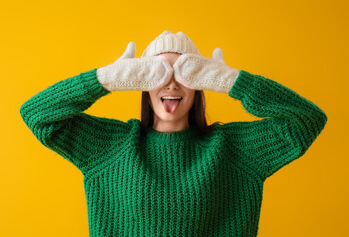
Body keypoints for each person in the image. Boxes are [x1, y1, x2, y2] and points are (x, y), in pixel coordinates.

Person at [20, 30, 327, 237]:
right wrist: (105, 78)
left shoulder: (232, 150)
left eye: (185, 73)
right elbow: (37, 115)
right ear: (139, 81)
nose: (172, 84)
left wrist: (232, 80)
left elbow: (307, 121)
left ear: (200, 84)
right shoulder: (111, 147)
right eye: (158, 73)